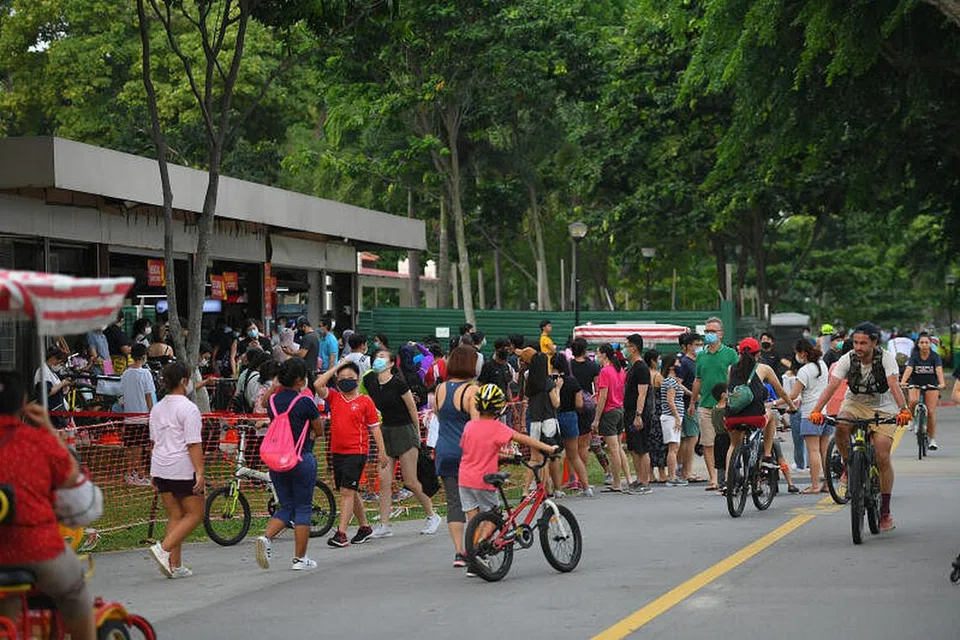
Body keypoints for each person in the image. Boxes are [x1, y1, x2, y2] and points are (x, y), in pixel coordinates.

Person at [0, 371, 96, 640]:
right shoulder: (37, 441)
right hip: (37, 548)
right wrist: (51, 432)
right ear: (23, 403)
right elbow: (72, 482)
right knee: (75, 588)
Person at [809, 322, 912, 532]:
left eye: (863, 343)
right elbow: (833, 385)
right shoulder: (847, 358)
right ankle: (849, 466)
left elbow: (893, 384)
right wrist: (817, 410)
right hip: (855, 403)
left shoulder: (886, 358)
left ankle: (884, 511)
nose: (858, 347)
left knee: (882, 456)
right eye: (855, 342)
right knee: (841, 425)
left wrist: (903, 409)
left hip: (883, 407)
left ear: (874, 342)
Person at [459, 384, 559, 572]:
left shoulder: (469, 426)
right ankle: (478, 551)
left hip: (464, 479)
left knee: (475, 520)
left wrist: (504, 458)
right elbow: (523, 439)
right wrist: (548, 448)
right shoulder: (497, 427)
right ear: (499, 407)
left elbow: (473, 451)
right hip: (484, 480)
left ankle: (472, 557)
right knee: (494, 515)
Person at [252, 358, 324, 570]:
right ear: (300, 380)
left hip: (277, 460)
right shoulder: (305, 402)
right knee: (302, 507)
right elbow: (319, 430)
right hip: (301, 458)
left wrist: (275, 385)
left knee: (287, 505)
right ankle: (300, 558)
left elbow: (264, 403)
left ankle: (266, 538)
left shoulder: (273, 402)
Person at [364, 350, 443, 538]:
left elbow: (412, 409)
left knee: (410, 480)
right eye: (377, 357)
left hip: (405, 431)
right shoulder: (371, 383)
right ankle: (384, 524)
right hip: (387, 431)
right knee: (384, 480)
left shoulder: (399, 384)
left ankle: (432, 515)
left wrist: (417, 435)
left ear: (391, 363)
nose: (379, 360)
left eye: (383, 357)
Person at [315, 360, 384, 548]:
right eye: (342, 378)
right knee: (349, 491)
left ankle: (341, 533)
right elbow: (318, 384)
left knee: (347, 492)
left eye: (351, 378)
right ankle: (364, 527)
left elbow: (375, 428)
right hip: (337, 452)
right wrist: (337, 368)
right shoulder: (335, 398)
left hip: (357, 451)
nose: (347, 381)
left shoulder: (365, 401)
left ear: (358, 379)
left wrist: (382, 452)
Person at [146, 362, 204, 578]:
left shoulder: (157, 408)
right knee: (196, 514)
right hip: (182, 467)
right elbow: (193, 443)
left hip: (160, 466)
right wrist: (199, 471)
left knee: (176, 514)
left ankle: (175, 565)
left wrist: (153, 472)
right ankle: (164, 548)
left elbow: (155, 442)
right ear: (183, 381)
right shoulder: (189, 408)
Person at [433, 346, 479, 567]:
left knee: (453, 502)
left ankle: (459, 552)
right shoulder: (472, 391)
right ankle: (474, 547)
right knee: (472, 502)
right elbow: (477, 425)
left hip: (444, 450)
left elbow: (438, 415)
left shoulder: (441, 388)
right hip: (467, 452)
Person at [723, 338, 796, 475]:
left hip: (732, 417)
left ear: (739, 353)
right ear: (758, 354)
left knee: (733, 445)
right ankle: (767, 456)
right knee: (771, 416)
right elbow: (781, 392)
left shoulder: (730, 369)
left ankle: (728, 480)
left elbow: (729, 391)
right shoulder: (764, 369)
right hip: (755, 417)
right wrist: (792, 406)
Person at [690, 317, 739, 491]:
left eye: (713, 331)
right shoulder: (701, 355)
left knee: (727, 441)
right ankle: (713, 479)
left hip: (726, 406)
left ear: (721, 334)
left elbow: (736, 378)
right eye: (707, 331)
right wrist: (692, 402)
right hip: (705, 405)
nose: (710, 334)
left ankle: (728, 475)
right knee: (708, 443)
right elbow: (698, 379)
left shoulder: (730, 354)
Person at [789, 340, 831, 494]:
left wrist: (776, 401)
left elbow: (793, 394)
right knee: (824, 451)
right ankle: (827, 484)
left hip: (810, 414)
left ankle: (814, 485)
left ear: (803, 353)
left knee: (813, 450)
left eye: (797, 353)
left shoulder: (804, 370)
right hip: (824, 412)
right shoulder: (823, 365)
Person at [568, 338, 612, 484]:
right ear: (585, 350)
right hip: (587, 407)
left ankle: (573, 478)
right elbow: (598, 387)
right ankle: (583, 476)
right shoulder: (593, 366)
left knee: (572, 445)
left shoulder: (569, 366)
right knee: (585, 446)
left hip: (571, 406)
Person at [592, 343, 632, 492]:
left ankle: (617, 482)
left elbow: (602, 396)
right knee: (619, 447)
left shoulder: (605, 371)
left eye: (598, 352)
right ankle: (627, 478)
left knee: (613, 449)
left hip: (609, 411)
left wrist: (596, 418)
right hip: (619, 409)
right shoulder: (620, 370)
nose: (597, 355)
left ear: (604, 354)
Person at [551, 353, 592, 496]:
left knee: (555, 455)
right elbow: (579, 403)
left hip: (553, 418)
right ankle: (586, 487)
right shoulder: (572, 381)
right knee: (573, 455)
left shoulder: (550, 381)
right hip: (570, 417)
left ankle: (557, 489)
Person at [524, 352, 562, 496]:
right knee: (545, 458)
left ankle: (526, 490)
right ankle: (545, 490)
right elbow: (556, 403)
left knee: (534, 458)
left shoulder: (531, 383)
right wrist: (558, 388)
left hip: (535, 422)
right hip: (548, 422)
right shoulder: (549, 383)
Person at [901, 331, 946, 450]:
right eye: (922, 342)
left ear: (930, 344)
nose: (924, 344)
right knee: (913, 400)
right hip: (915, 383)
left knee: (931, 412)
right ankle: (910, 419)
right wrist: (903, 381)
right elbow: (909, 369)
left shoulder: (935, 357)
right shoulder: (914, 356)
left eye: (926, 342)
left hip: (932, 384)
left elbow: (939, 370)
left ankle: (932, 440)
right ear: (918, 344)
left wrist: (942, 383)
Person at [120, 344, 156, 486]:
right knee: (139, 447)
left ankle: (130, 473)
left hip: (129, 416)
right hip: (141, 416)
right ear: (143, 357)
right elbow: (149, 395)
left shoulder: (126, 373)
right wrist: (152, 412)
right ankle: (138, 474)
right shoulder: (145, 373)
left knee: (130, 446)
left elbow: (122, 392)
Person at [622, 335, 652, 494]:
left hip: (638, 413)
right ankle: (639, 479)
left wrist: (638, 415)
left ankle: (645, 482)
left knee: (642, 448)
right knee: (633, 447)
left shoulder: (641, 368)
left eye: (626, 346)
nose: (624, 349)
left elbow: (642, 393)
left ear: (634, 348)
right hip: (629, 412)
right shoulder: (632, 367)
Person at [676, 332, 705, 483]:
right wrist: (692, 395)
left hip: (697, 403)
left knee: (692, 438)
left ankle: (685, 471)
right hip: (689, 404)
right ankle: (686, 472)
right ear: (687, 346)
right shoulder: (685, 362)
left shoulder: (698, 361)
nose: (699, 347)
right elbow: (678, 383)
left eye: (701, 344)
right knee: (691, 438)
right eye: (696, 345)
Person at [659, 354, 687, 486]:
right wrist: (676, 417)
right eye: (677, 362)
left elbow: (684, 390)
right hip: (671, 417)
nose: (679, 364)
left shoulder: (673, 381)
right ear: (671, 366)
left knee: (675, 447)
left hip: (674, 416)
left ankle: (672, 475)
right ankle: (672, 476)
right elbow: (670, 401)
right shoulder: (670, 382)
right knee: (673, 448)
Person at [643, 348, 669, 484]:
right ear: (653, 360)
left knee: (649, 443)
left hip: (646, 412)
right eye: (658, 359)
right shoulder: (658, 376)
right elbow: (665, 394)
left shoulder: (644, 374)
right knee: (660, 443)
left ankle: (650, 474)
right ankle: (662, 473)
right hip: (658, 412)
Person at [33, 345, 71, 426]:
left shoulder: (51, 371)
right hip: (51, 414)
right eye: (59, 362)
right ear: (53, 358)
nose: (59, 365)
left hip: (58, 412)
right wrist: (62, 384)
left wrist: (63, 386)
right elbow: (47, 392)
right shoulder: (43, 371)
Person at [288, 316, 320, 384]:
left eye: (299, 328)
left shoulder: (307, 338)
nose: (299, 330)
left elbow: (302, 354)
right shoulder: (315, 335)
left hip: (307, 371)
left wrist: (290, 353)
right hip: (313, 369)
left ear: (304, 326)